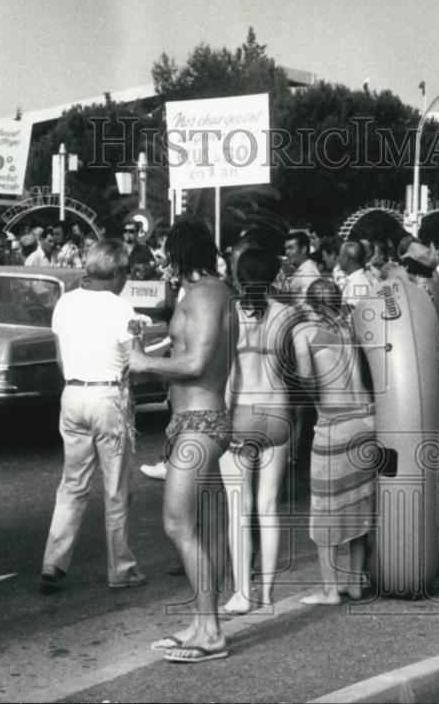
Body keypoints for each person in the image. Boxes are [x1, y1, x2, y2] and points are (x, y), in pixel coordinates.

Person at [135, 218, 233, 664]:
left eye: (166, 254)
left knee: (177, 523)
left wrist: (142, 362)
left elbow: (195, 362)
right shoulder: (210, 293)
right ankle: (202, 621)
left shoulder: (205, 295)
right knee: (205, 529)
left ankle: (210, 631)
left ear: (178, 254)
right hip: (193, 421)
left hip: (201, 422)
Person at [40, 239, 147, 595]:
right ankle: (121, 568)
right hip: (109, 396)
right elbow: (136, 361)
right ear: (117, 272)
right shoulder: (122, 308)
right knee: (115, 488)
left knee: (72, 484)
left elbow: (59, 358)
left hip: (72, 394)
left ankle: (53, 561)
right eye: (125, 271)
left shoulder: (66, 303)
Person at [220, 248, 297, 615]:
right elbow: (295, 371)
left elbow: (229, 375)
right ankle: (266, 594)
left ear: (239, 275)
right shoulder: (287, 313)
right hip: (279, 412)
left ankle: (241, 592)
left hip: (243, 412)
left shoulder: (231, 313)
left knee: (241, 507)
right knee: (269, 507)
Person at [293, 278, 376, 605]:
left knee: (325, 509)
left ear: (311, 305)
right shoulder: (350, 329)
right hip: (367, 419)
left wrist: (317, 401)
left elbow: (304, 375)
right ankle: (354, 582)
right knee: (359, 505)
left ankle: (329, 589)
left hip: (335, 422)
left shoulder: (305, 332)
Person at [277, 231, 321, 303]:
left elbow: (310, 305)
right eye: (286, 249)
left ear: (303, 249)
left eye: (291, 248)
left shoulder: (308, 273)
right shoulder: (301, 268)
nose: (287, 252)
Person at [337, 240, 374, 309]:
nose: (338, 258)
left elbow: (349, 316)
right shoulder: (357, 280)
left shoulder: (358, 285)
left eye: (340, 255)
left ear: (347, 258)